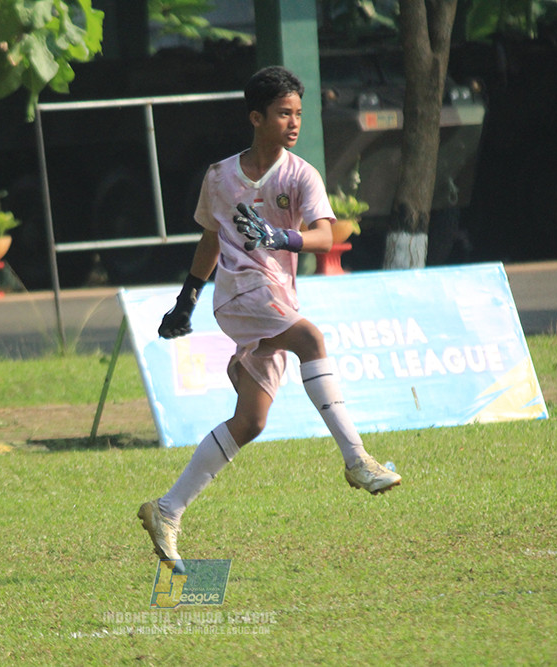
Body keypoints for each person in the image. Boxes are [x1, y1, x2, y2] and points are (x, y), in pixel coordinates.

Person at [138, 66, 401, 568]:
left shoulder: (301, 175)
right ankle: (357, 460)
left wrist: (284, 238)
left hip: (277, 295)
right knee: (311, 339)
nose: (294, 122)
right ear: (256, 117)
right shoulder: (220, 177)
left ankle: (167, 509)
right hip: (240, 293)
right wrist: (187, 299)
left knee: (252, 420)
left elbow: (327, 234)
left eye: (298, 113)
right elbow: (212, 239)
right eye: (284, 113)